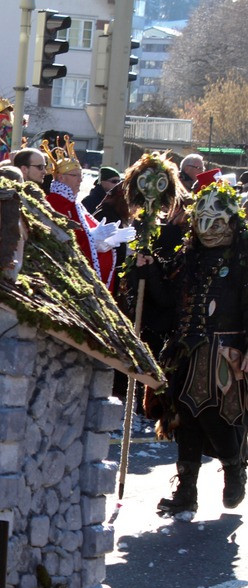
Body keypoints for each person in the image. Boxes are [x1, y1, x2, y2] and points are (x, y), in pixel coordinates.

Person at [137, 181, 248, 516]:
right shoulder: (189, 260)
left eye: (216, 224)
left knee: (215, 416)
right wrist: (148, 270)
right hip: (185, 351)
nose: (209, 231)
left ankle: (234, 471)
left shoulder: (243, 261)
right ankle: (186, 491)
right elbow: (167, 301)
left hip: (226, 351)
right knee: (183, 417)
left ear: (231, 224)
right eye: (203, 224)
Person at [42, 137, 133, 293]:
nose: (80, 180)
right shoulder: (55, 203)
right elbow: (63, 240)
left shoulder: (74, 204)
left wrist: (109, 241)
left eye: (81, 175)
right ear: (61, 178)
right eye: (75, 175)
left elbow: (88, 234)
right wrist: (93, 238)